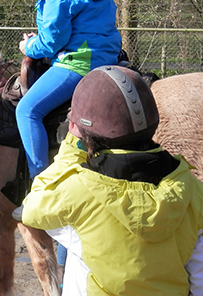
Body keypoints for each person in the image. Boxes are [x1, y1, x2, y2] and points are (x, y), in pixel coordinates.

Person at [19, 65, 203, 295]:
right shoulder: (194, 190)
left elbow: (31, 209)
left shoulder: (77, 191)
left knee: (26, 111)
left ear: (82, 132)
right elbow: (199, 277)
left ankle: (33, 162)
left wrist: (70, 148)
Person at [16, 0, 121, 181]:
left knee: (27, 111)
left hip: (77, 63)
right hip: (110, 60)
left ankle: (38, 183)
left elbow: (52, 42)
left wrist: (28, 47)